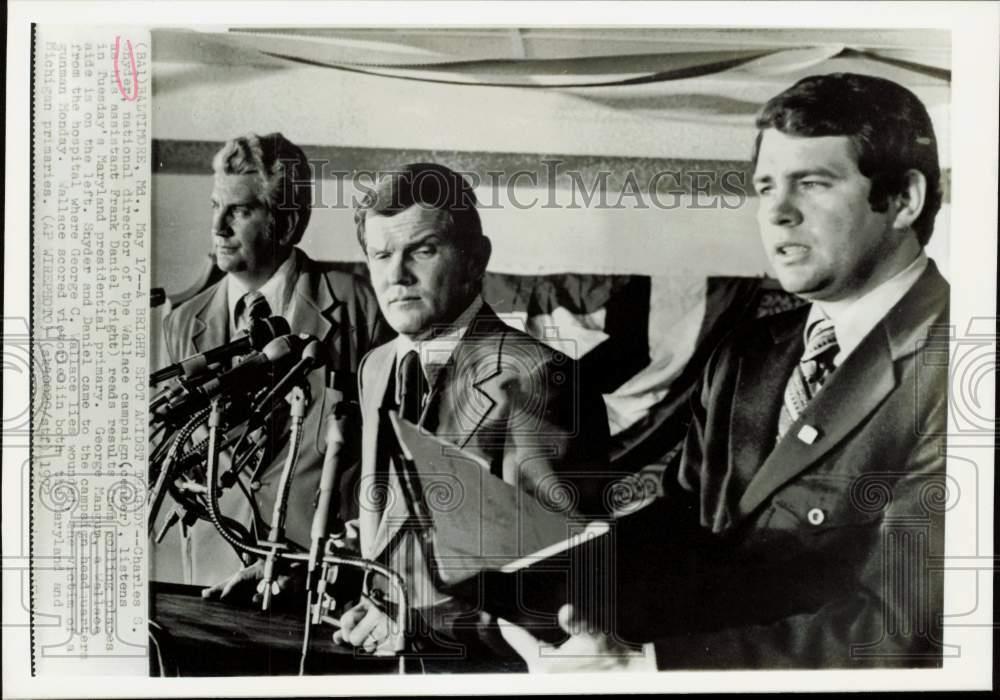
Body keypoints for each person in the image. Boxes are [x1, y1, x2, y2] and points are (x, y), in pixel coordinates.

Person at [500, 72, 949, 670]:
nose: (777, 213)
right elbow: (679, 524)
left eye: (812, 184)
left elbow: (903, 630)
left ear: (903, 200)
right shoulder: (748, 355)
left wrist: (645, 669)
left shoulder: (964, 366)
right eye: (765, 188)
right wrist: (492, 586)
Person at [334, 163, 613, 670]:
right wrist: (314, 573)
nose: (396, 275)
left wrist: (418, 626)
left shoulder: (541, 379)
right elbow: (394, 521)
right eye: (380, 254)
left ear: (475, 259)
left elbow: (550, 582)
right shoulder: (376, 367)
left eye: (422, 250)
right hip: (380, 660)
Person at [159, 132, 389, 587]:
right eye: (214, 206)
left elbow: (389, 454)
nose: (218, 227)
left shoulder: (359, 306)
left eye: (239, 211)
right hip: (213, 572)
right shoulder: (183, 323)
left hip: (323, 574)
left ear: (285, 222)